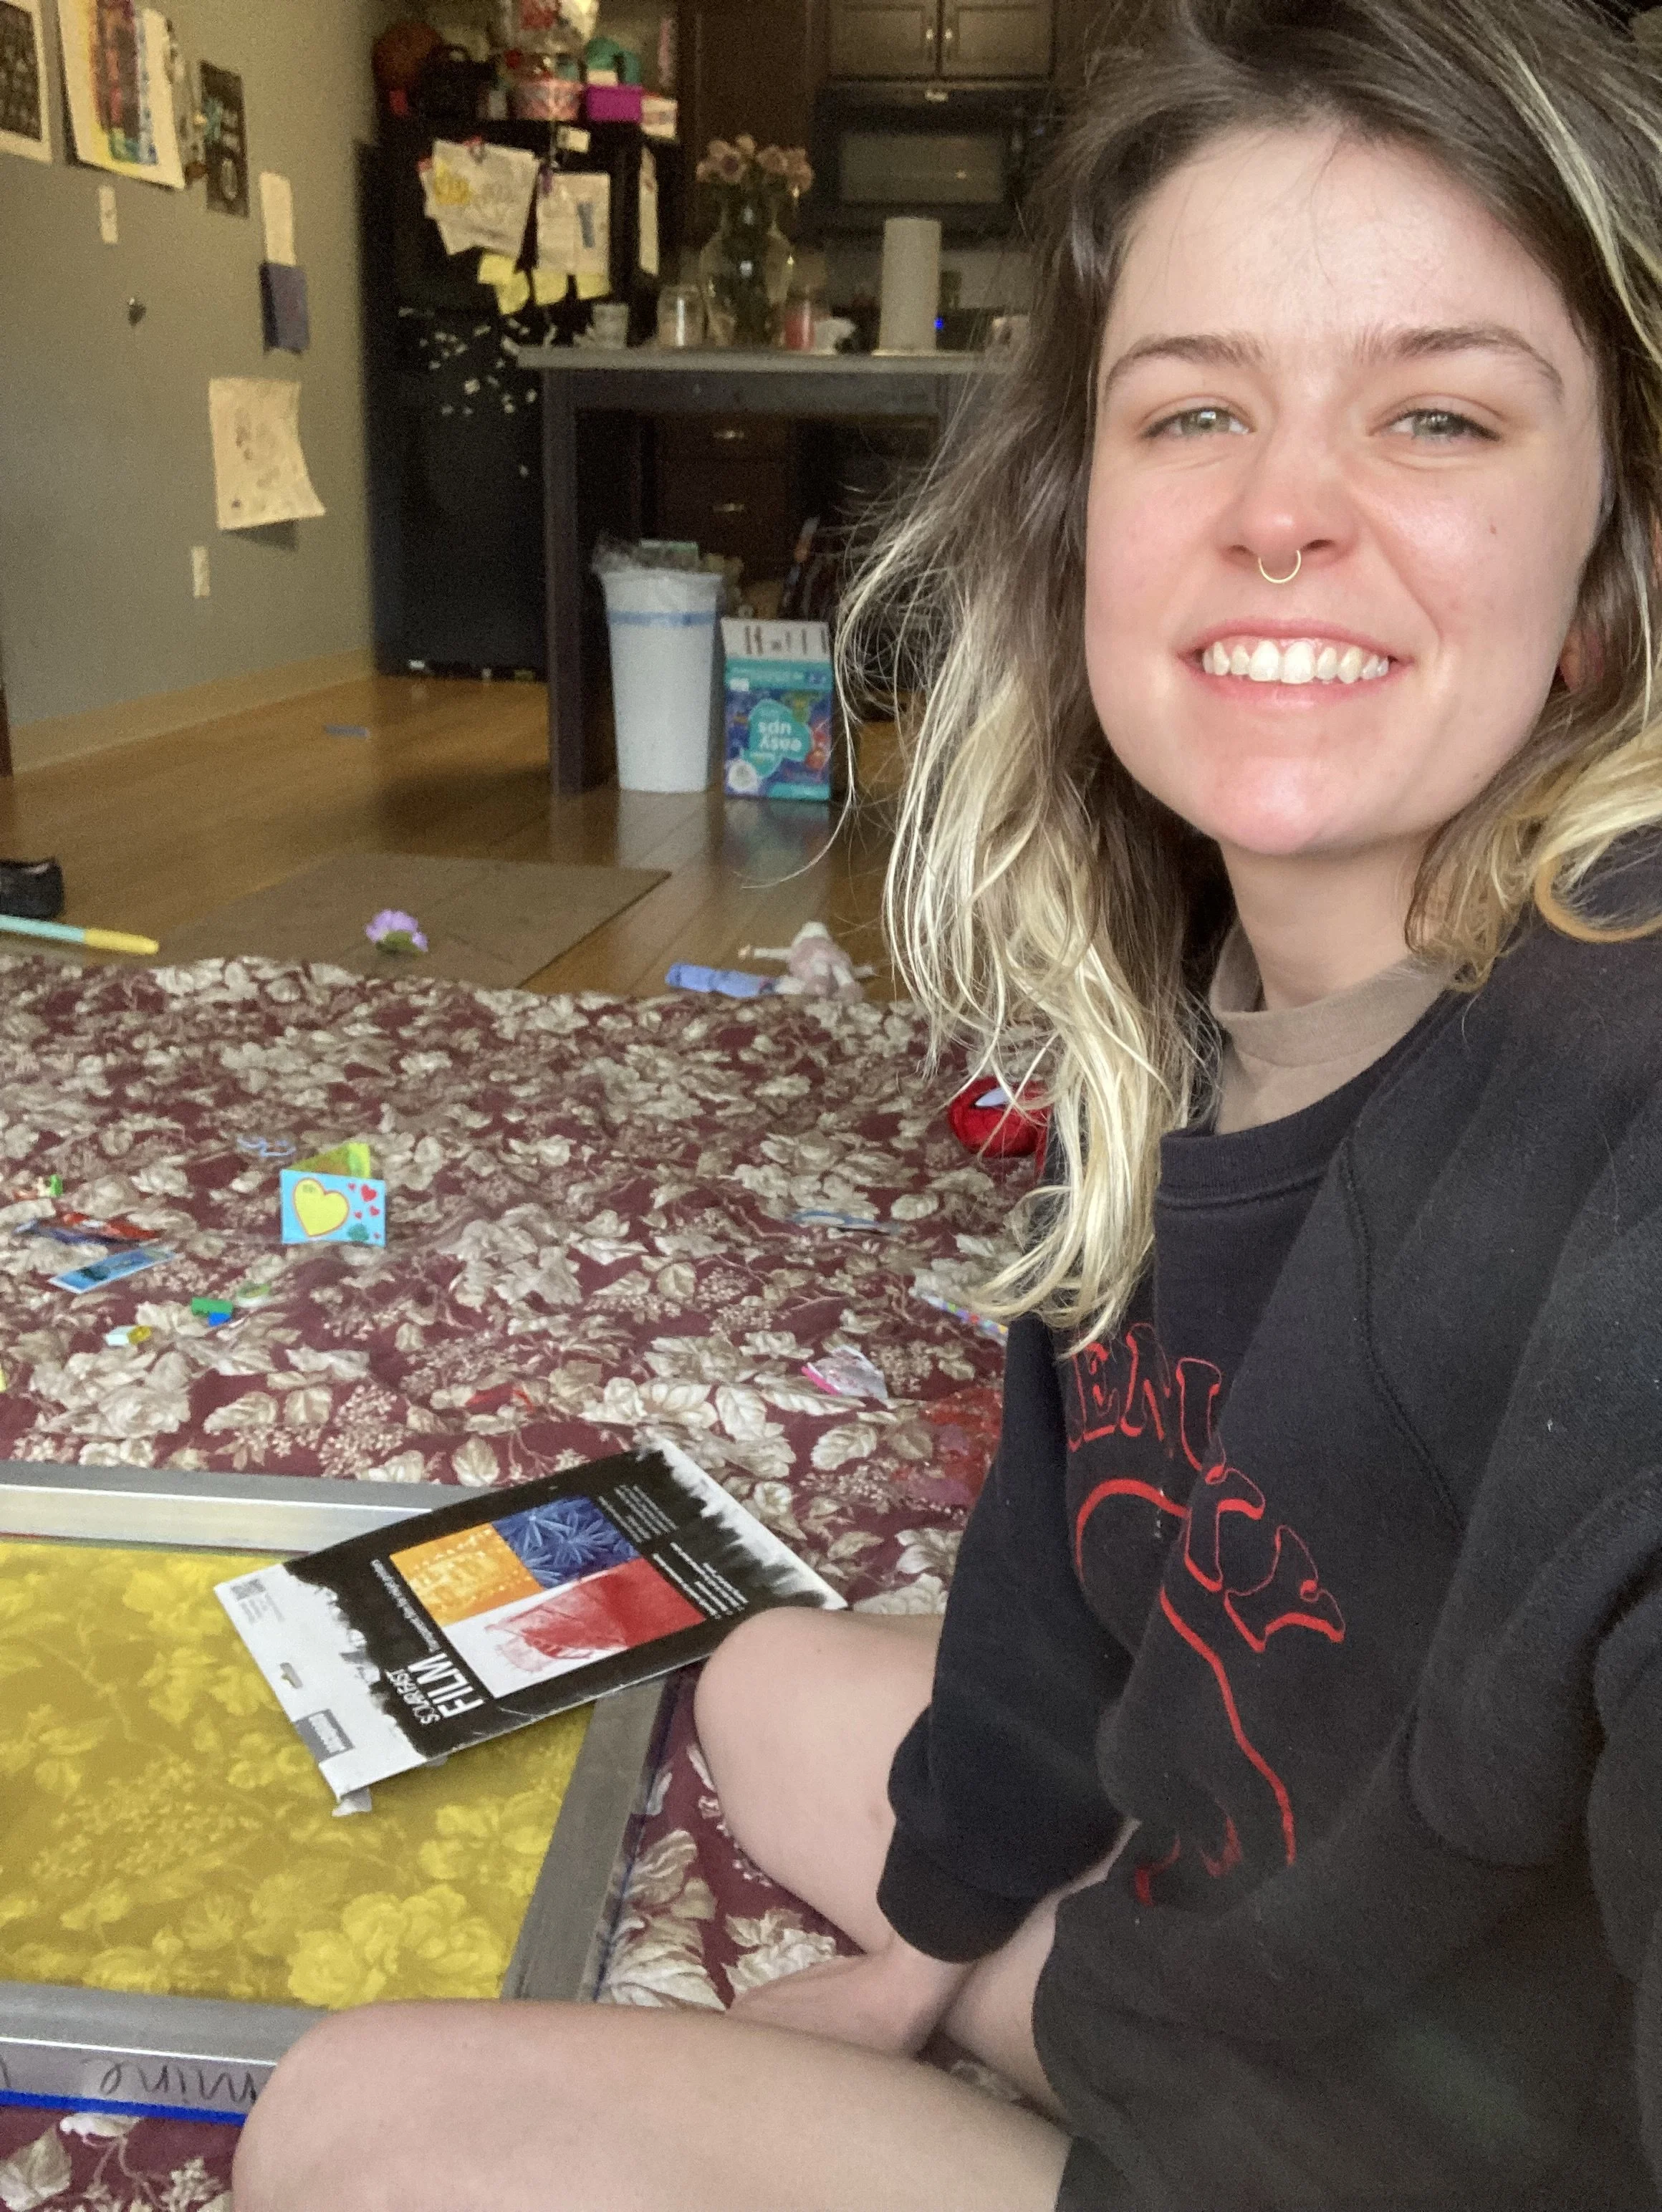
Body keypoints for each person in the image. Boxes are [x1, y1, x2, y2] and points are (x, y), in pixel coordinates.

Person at [231, 0, 1662, 2203]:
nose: (1285, 511)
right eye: (1197, 411)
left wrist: (1030, 2016)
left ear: (1604, 579)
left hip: (1380, 2135)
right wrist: (948, 1939)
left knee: (362, 2129)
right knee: (765, 1684)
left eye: (1442, 417)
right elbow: (1058, 1568)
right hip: (1276, 1859)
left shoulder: (1619, 1126)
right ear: (1081, 515)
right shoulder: (1178, 990)